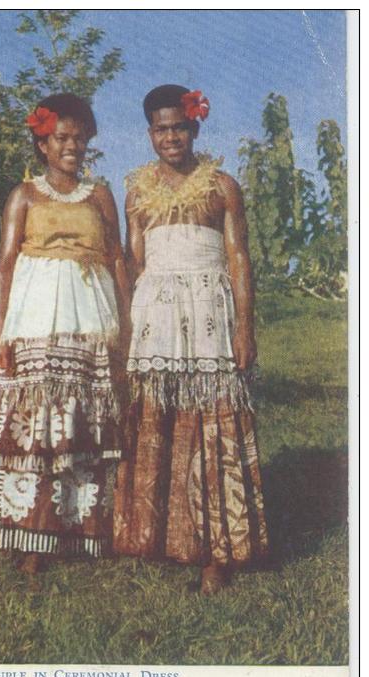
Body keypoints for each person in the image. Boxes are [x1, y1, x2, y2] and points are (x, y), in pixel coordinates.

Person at [113, 85, 268, 594]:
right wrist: (127, 327)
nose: (171, 136)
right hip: (156, 314)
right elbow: (133, 263)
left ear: (195, 126)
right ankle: (155, 536)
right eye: (161, 128)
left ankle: (216, 551)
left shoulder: (221, 185)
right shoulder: (136, 189)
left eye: (179, 126)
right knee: (157, 418)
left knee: (212, 422)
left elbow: (238, 258)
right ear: (150, 132)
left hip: (207, 312)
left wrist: (244, 327)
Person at [0, 93, 130, 574]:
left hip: (89, 310)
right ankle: (28, 534)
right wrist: (2, 333)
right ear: (42, 144)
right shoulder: (25, 195)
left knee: (81, 418)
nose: (73, 147)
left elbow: (117, 259)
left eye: (80, 138)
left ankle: (76, 530)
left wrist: (127, 322)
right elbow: (5, 263)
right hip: (36, 307)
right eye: (62, 138)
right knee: (34, 418)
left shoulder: (99, 195)